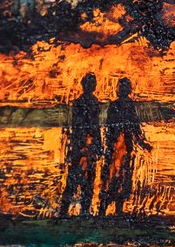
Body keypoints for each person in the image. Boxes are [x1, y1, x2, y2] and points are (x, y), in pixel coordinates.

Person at [98, 76, 151, 217]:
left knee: (121, 176)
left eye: (125, 87)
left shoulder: (126, 105)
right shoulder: (116, 106)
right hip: (116, 146)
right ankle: (105, 209)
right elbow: (114, 127)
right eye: (121, 87)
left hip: (123, 147)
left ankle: (115, 209)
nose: (123, 90)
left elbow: (134, 126)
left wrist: (141, 142)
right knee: (113, 177)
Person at [59, 73, 101, 217]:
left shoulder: (92, 102)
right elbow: (80, 126)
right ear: (84, 85)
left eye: (93, 83)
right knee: (76, 180)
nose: (92, 86)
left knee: (85, 180)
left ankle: (80, 211)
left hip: (86, 145)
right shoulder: (82, 103)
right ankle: (67, 211)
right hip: (82, 145)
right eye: (90, 83)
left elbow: (95, 126)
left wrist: (97, 144)